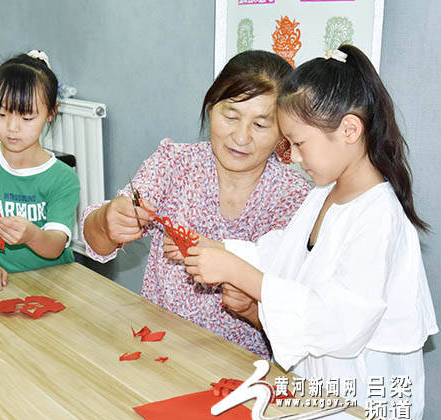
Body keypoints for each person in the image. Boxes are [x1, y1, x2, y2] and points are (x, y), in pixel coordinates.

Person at [179, 45, 437, 420]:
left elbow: (339, 321)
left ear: (350, 130)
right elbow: (284, 254)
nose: (295, 158)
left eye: (299, 143)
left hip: (369, 400)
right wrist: (219, 249)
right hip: (325, 391)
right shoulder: (324, 194)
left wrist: (240, 273)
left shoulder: (379, 216)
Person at [82, 50, 311, 359]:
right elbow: (98, 241)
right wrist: (108, 221)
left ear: (284, 133)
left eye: (260, 125)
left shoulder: (293, 197)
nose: (241, 137)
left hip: (243, 363)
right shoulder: (174, 163)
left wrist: (250, 306)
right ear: (210, 108)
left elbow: (297, 315)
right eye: (230, 116)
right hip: (157, 345)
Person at [0, 50, 80, 293]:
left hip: (52, 285)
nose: (12, 128)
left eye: (27, 117)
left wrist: (31, 235)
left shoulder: (62, 177)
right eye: (1, 114)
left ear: (50, 113)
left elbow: (55, 246)